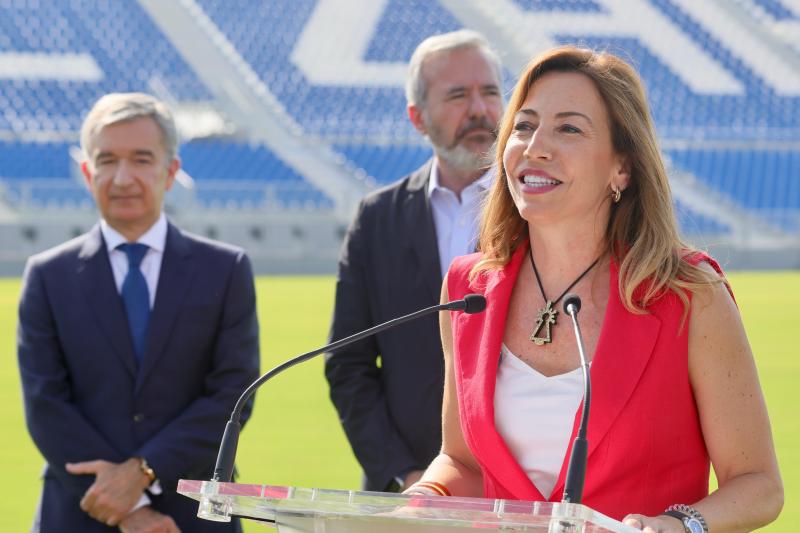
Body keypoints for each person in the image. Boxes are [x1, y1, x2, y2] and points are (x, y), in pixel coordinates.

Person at [404, 46, 783, 532]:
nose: (535, 146)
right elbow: (463, 461)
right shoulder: (467, 288)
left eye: (569, 129)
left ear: (621, 168)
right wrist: (421, 499)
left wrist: (677, 524)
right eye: (523, 125)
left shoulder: (690, 295)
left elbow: (757, 484)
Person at [17, 93, 260, 532]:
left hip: (192, 515)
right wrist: (129, 507)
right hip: (78, 512)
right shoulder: (48, 276)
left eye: (141, 159)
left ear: (171, 172)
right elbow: (45, 404)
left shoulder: (225, 270)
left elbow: (232, 395)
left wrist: (144, 471)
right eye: (106, 160)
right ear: (87, 172)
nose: (122, 177)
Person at [324, 30, 504, 493]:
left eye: (490, 92)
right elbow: (348, 365)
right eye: (458, 96)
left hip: (516, 495)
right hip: (406, 494)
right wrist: (405, 475)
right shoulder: (377, 219)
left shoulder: (541, 212)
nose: (480, 109)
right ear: (417, 118)